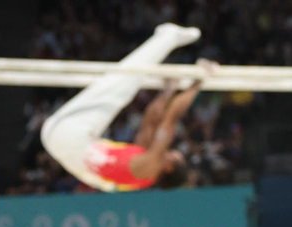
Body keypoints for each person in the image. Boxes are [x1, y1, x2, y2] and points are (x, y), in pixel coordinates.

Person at [40, 23, 208, 192]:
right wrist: (168, 91)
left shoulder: (149, 168)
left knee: (120, 86)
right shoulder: (143, 160)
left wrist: (199, 82)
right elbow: (150, 120)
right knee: (120, 86)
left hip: (69, 139)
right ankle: (167, 37)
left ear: (169, 168)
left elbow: (172, 116)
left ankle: (168, 36)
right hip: (62, 136)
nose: (173, 151)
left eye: (176, 158)